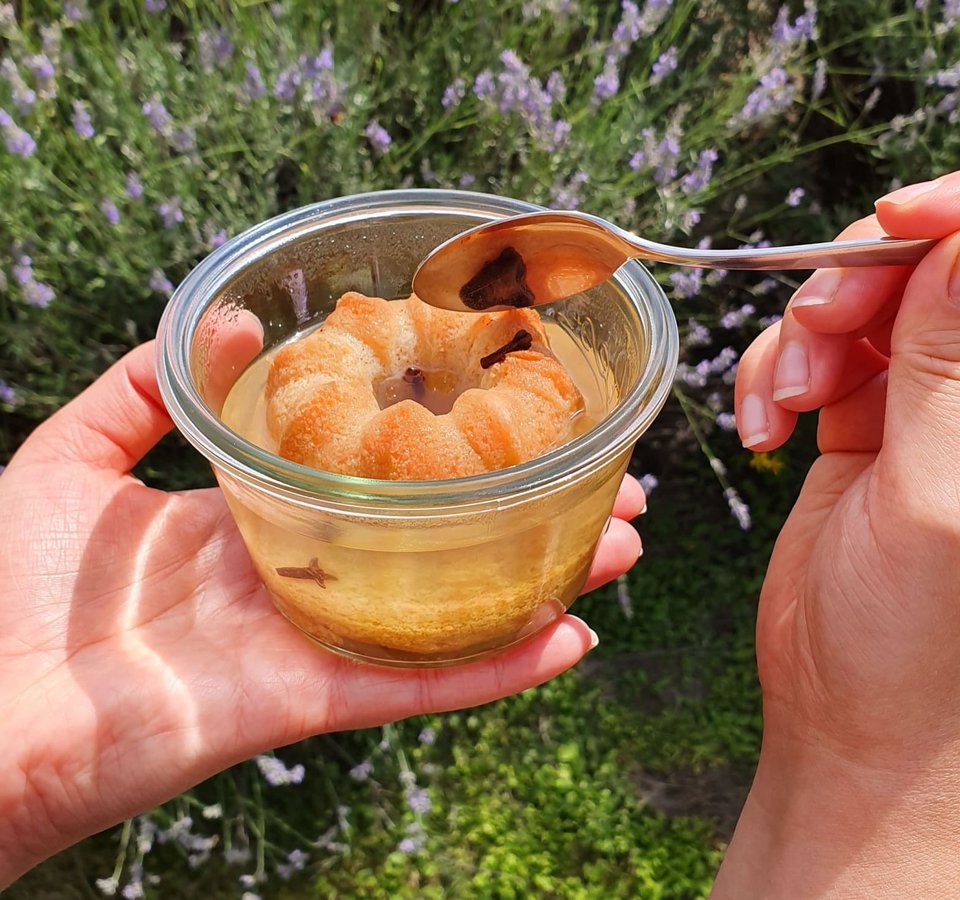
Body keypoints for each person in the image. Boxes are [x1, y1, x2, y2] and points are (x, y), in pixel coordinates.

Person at [1, 172, 958, 895]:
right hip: (336, 483)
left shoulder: (539, 367)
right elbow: (351, 414)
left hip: (507, 459)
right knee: (381, 434)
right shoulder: (328, 366)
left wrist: (861, 759)